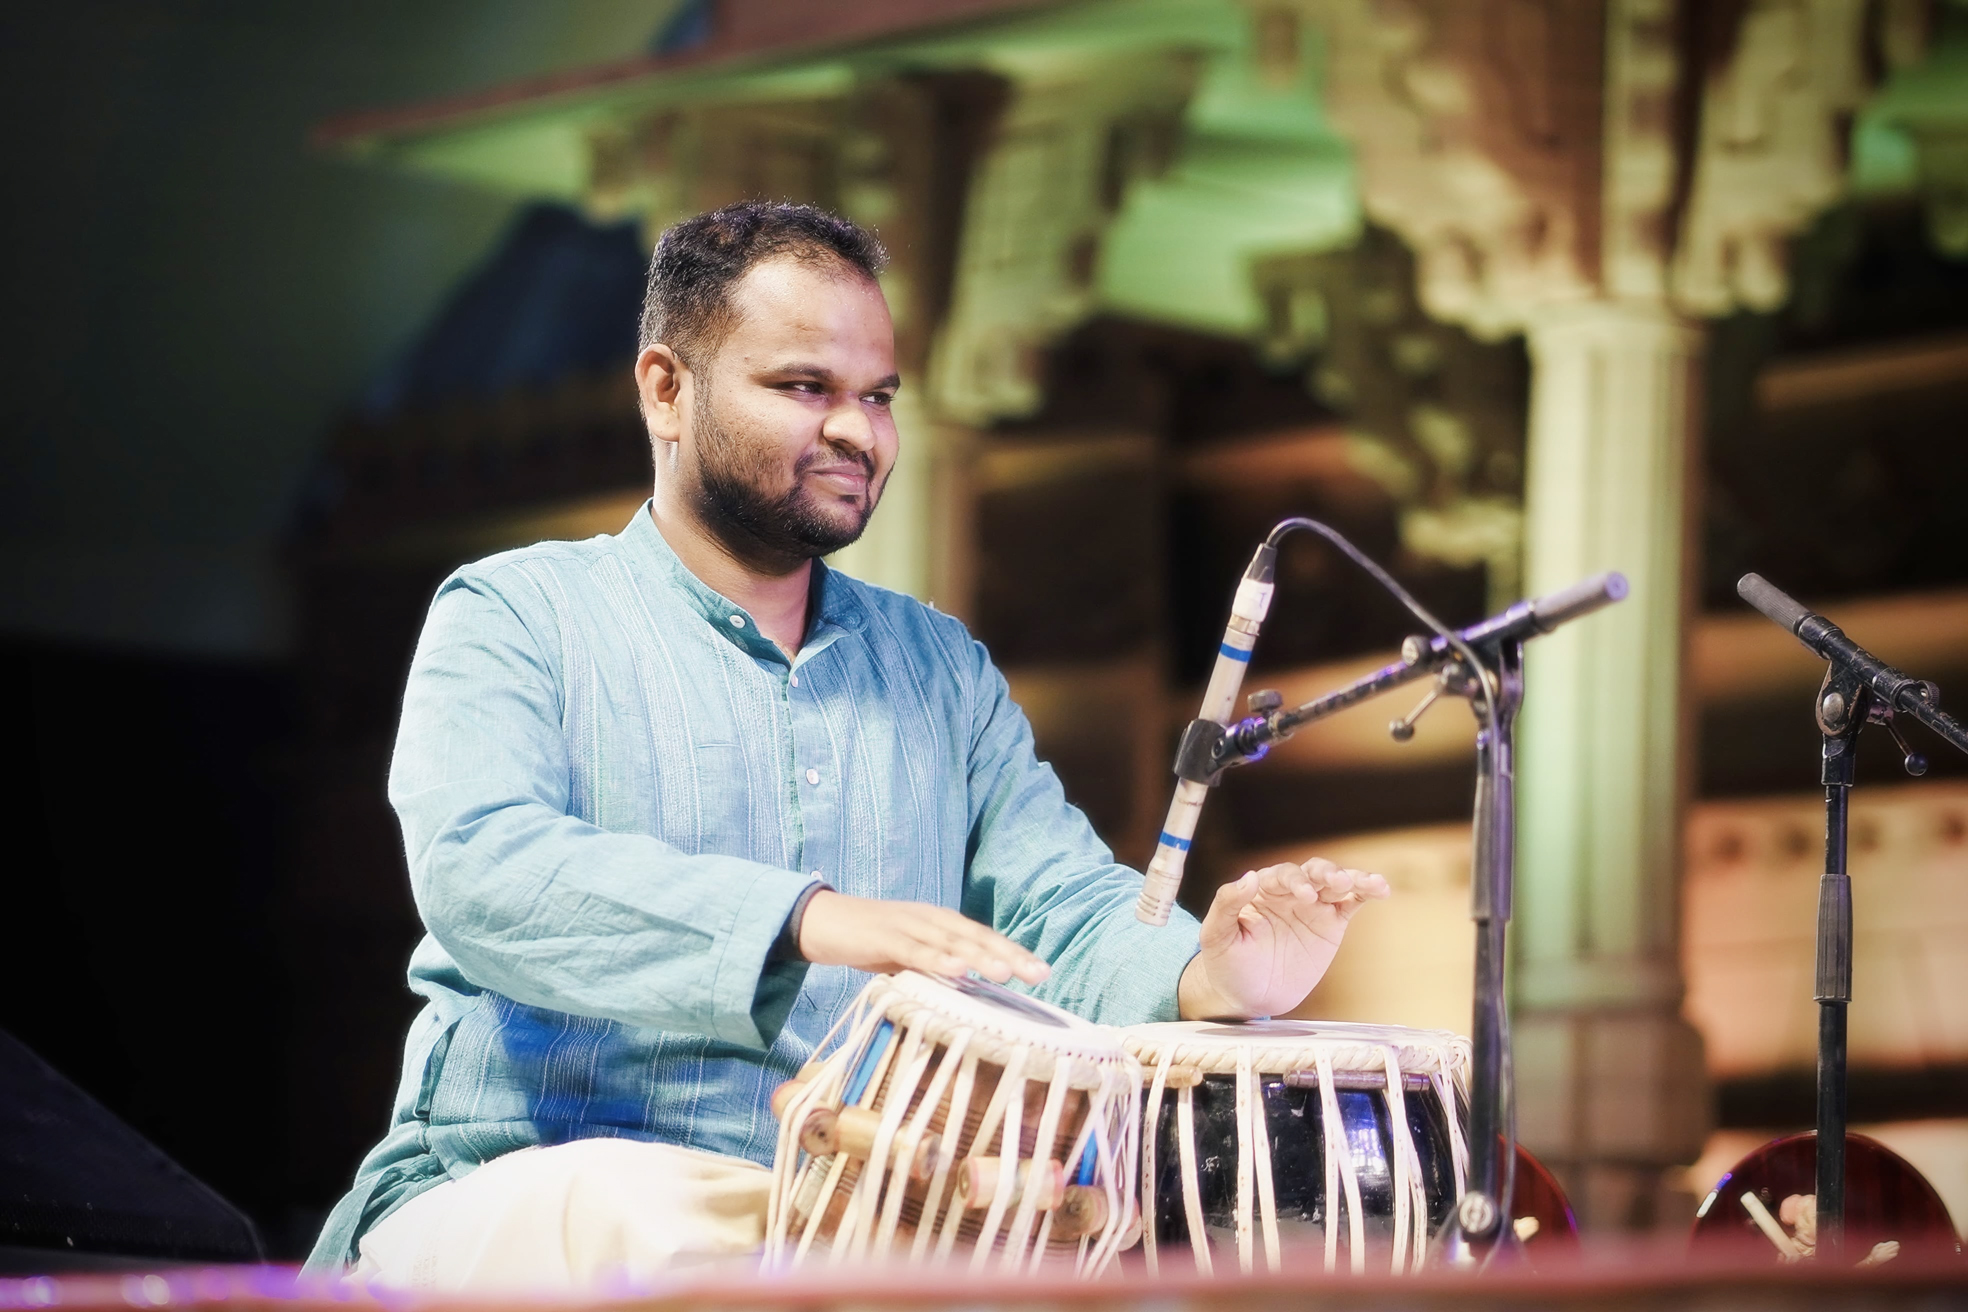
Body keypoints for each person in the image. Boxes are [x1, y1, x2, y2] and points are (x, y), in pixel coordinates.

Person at [307, 201, 1389, 1290]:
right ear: (665, 389)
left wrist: (1211, 971)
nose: (856, 432)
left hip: (846, 1214)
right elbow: (485, 872)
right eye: (804, 387)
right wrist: (809, 919)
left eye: (877, 397)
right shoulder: (516, 612)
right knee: (665, 1220)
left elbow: (1058, 910)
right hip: (525, 1189)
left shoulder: (937, 667)